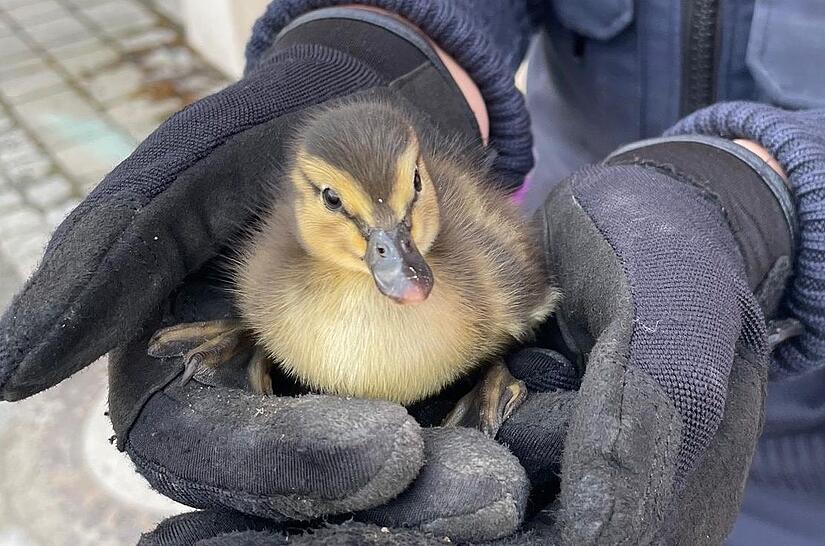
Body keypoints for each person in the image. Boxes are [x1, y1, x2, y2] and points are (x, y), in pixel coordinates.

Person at [1, 2, 823, 545]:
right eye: (340, 207)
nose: (395, 261)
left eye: (403, 211)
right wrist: (385, 38)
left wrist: (761, 195)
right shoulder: (278, 273)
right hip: (601, 246)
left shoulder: (490, 278)